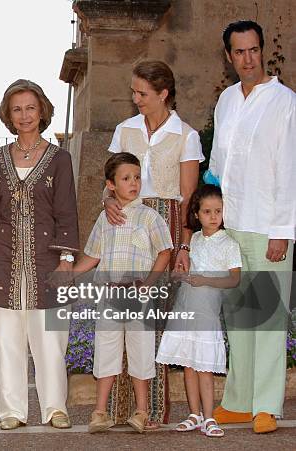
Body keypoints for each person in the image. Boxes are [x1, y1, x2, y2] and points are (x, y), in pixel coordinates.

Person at [0, 79, 79, 430]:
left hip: (48, 261)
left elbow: (67, 212)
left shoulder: (59, 159)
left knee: (50, 340)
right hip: (4, 260)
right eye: (16, 109)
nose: (24, 115)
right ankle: (12, 411)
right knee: (7, 340)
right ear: (8, 115)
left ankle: (55, 408)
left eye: (30, 107)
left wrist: (66, 259)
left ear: (42, 110)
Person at [103, 60, 204, 425]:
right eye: (133, 91)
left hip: (166, 225)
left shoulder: (185, 135)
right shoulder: (124, 130)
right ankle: (118, 410)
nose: (135, 98)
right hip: (126, 227)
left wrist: (184, 246)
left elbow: (189, 197)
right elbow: (109, 183)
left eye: (142, 93)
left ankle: (152, 410)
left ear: (163, 94)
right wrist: (108, 202)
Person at [208, 20, 296, 434]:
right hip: (232, 225)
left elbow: (290, 171)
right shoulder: (225, 101)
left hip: (268, 226)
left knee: (268, 320)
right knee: (239, 316)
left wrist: (283, 231)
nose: (248, 58)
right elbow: (218, 167)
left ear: (263, 51)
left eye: (254, 50)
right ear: (229, 57)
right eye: (239, 51)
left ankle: (266, 405)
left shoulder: (285, 102)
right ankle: (240, 401)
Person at [73, 152, 172, 434]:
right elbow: (92, 255)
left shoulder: (150, 217)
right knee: (106, 352)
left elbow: (165, 251)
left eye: (137, 177)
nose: (134, 183)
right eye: (126, 178)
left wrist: (150, 283)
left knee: (141, 354)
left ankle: (142, 412)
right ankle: (99, 412)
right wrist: (69, 274)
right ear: (111, 185)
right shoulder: (105, 220)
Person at [156, 185, 242, 438]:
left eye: (218, 211)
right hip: (186, 309)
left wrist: (205, 280)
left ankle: (210, 416)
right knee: (188, 366)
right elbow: (182, 272)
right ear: (197, 213)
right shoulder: (191, 240)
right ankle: (194, 414)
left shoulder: (229, 244)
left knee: (204, 368)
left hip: (207, 314)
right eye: (207, 211)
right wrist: (180, 276)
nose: (213, 216)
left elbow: (234, 280)